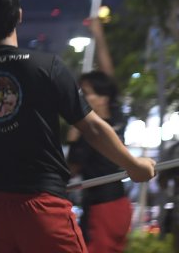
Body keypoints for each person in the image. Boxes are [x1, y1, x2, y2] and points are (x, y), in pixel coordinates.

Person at [0, 0, 155, 253]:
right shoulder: (46, 67)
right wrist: (133, 165)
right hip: (43, 210)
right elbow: (92, 127)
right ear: (18, 15)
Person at [68, 18, 132, 253]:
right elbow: (109, 79)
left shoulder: (95, 129)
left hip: (105, 206)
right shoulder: (108, 120)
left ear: (102, 97)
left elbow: (71, 170)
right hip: (111, 204)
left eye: (85, 94)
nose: (81, 99)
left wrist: (74, 137)